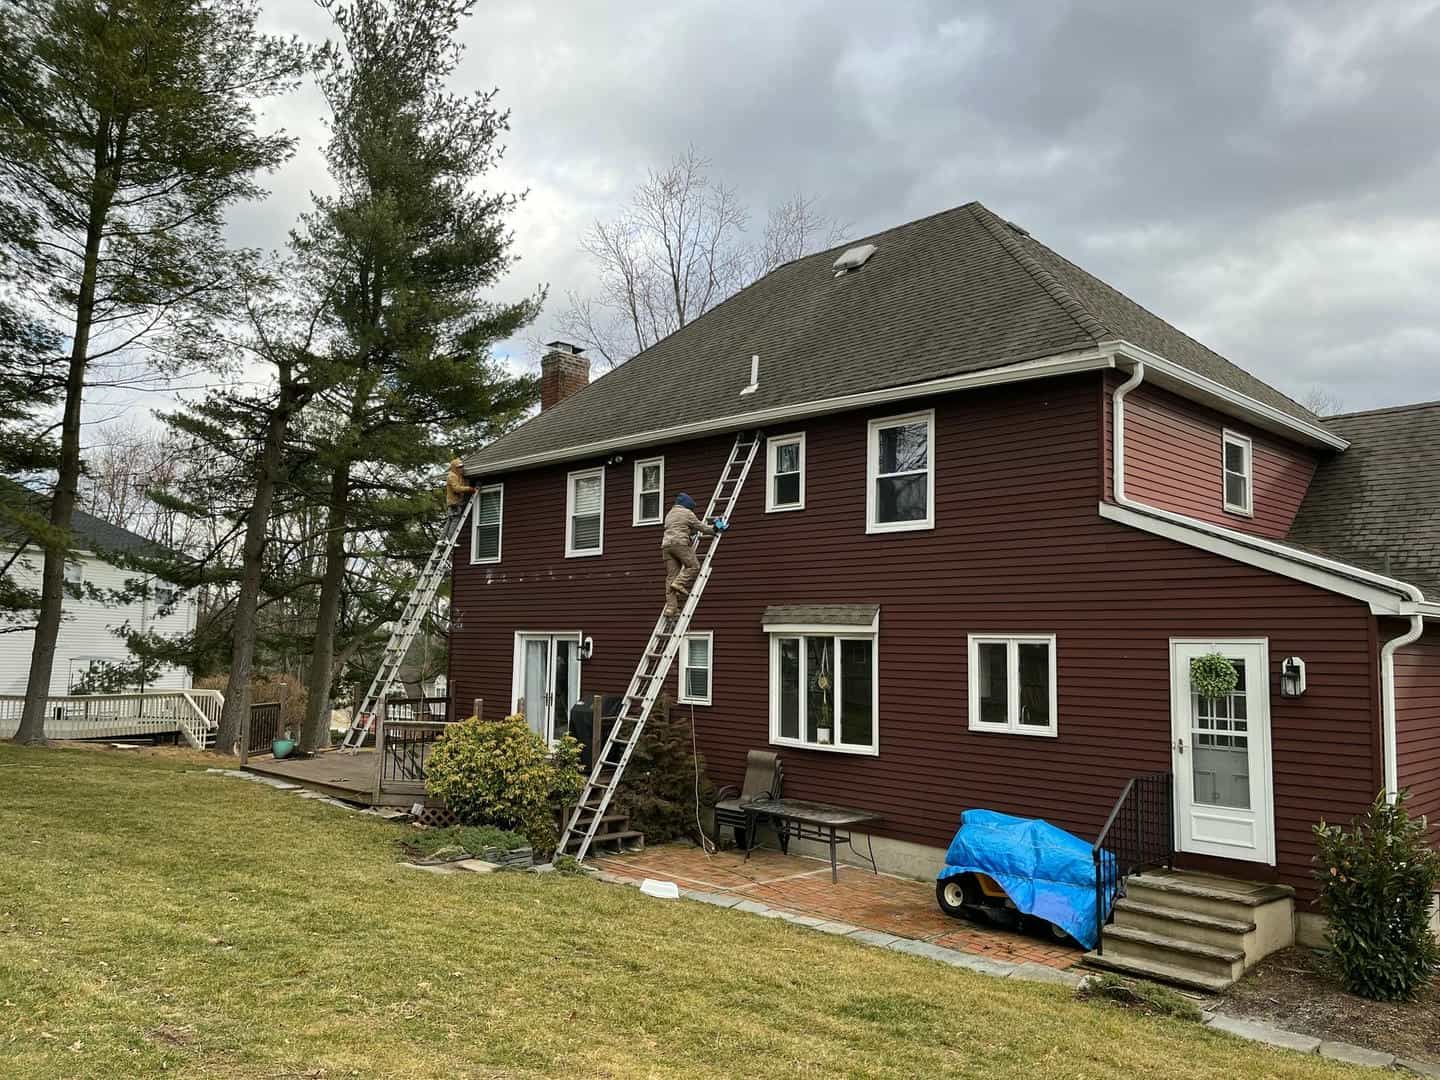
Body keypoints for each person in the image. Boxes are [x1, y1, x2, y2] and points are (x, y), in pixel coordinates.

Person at [662, 493, 727, 615]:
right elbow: (701, 527)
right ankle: (679, 583)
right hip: (679, 543)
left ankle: (671, 608)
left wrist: (691, 533)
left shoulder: (670, 514)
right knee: (693, 566)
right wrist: (715, 529)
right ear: (687, 505)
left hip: (666, 546)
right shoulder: (687, 513)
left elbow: (680, 527)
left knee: (671, 577)